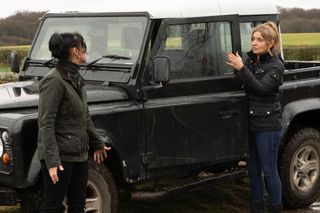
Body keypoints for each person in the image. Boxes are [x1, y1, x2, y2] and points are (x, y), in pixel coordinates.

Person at [37, 32, 111, 213]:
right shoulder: (54, 81)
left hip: (79, 155)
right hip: (61, 158)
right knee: (53, 207)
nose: (85, 51)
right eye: (83, 47)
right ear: (75, 51)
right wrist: (52, 162)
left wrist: (97, 142)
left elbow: (84, 116)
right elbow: (46, 123)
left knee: (78, 205)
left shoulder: (76, 78)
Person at [226, 21, 284, 213]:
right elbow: (241, 84)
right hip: (250, 123)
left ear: (270, 43)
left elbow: (260, 89)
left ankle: (275, 209)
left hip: (268, 126)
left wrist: (242, 69)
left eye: (259, 40)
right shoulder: (251, 61)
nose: (254, 43)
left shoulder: (276, 66)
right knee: (252, 170)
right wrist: (239, 69)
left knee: (269, 171)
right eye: (253, 39)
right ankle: (257, 209)